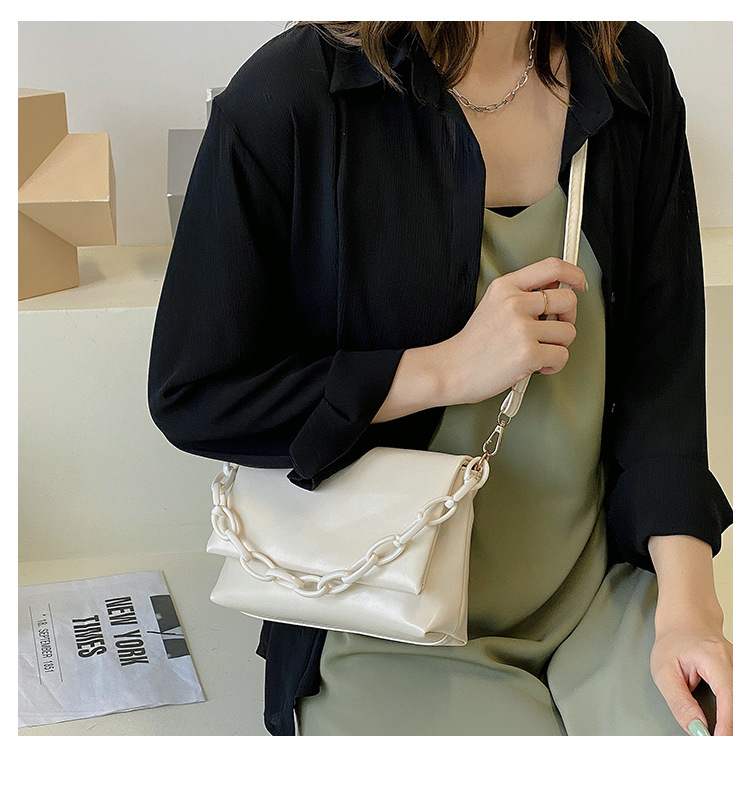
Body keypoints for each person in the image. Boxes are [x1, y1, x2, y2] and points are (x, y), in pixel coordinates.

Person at [147, 21, 734, 735]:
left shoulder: (625, 67)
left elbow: (664, 381)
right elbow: (197, 391)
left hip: (605, 590)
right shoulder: (292, 95)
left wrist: (690, 611)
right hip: (382, 608)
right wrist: (444, 369)